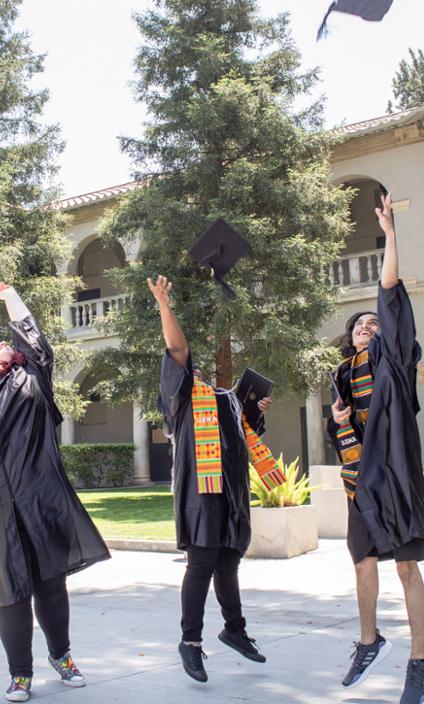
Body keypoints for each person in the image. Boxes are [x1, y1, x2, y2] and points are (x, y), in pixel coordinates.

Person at [0, 282, 110, 703]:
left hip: (41, 496)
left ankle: (62, 656)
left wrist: (12, 299)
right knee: (10, 592)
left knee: (50, 584)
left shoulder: (31, 376)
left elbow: (34, 341)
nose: (3, 343)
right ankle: (20, 675)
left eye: (7, 342)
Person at [149, 274, 284, 684]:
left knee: (228, 561)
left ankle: (234, 630)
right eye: (187, 367)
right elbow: (176, 348)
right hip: (201, 493)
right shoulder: (182, 398)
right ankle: (190, 642)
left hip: (232, 493)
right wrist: (164, 305)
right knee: (202, 562)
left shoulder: (226, 400)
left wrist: (256, 409)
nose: (193, 367)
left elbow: (245, 436)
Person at [327, 191, 424, 704]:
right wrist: (338, 421)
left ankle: (420, 658)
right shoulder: (343, 377)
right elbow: (343, 440)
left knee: (406, 565)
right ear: (349, 338)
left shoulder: (395, 362)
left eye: (373, 323)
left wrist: (391, 235)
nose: (366, 327)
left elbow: (389, 290)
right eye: (358, 325)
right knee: (363, 562)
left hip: (396, 477)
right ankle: (369, 642)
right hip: (359, 484)